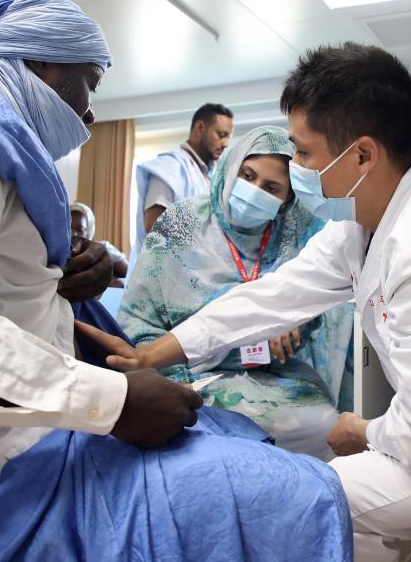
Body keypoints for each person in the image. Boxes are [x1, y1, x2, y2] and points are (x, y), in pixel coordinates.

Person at [0, 0, 351, 559]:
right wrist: (111, 398)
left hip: (44, 416)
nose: (91, 113)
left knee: (270, 465)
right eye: (90, 84)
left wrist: (66, 276)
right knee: (289, 493)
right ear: (44, 64)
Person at [82, 42, 411, 561]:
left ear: (362, 154)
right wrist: (156, 352)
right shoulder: (363, 224)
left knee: (301, 497)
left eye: (303, 152)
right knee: (300, 488)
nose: (295, 166)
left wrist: (361, 430)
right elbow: (272, 297)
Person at [119, 125, 354, 459]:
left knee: (323, 428)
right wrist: (168, 369)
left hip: (270, 375)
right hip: (184, 373)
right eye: (247, 175)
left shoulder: (296, 235)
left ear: (286, 200)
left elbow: (312, 301)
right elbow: (137, 318)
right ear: (232, 167)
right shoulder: (182, 224)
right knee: (197, 433)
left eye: (271, 188)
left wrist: (293, 323)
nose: (254, 191)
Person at [132, 102, 233, 256]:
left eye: (228, 137)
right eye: (221, 135)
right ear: (200, 128)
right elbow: (154, 225)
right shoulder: (169, 166)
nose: (226, 144)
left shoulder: (209, 177)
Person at [71, 201, 128, 286]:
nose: (74, 234)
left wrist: (110, 285)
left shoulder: (103, 249)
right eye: (69, 228)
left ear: (88, 230)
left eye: (79, 230)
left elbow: (131, 275)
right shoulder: (59, 253)